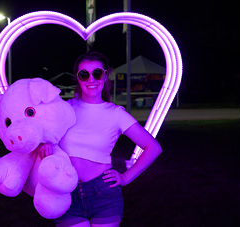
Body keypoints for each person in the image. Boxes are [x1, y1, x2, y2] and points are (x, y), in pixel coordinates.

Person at [38, 52, 162, 227]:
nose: (91, 79)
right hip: (66, 193)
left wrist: (125, 178)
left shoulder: (116, 114)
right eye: (84, 74)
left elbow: (153, 147)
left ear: (105, 76)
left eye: (97, 73)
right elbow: (43, 134)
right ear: (78, 79)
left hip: (104, 195)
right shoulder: (64, 109)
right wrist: (45, 144)